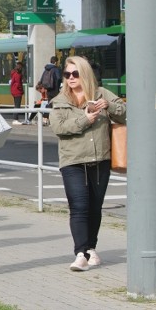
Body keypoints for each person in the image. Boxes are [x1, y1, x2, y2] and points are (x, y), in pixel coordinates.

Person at [50, 56, 126, 272]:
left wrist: (109, 106)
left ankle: (91, 248)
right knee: (79, 206)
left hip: (100, 159)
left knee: (95, 207)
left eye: (75, 74)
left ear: (85, 74)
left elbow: (125, 113)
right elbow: (59, 128)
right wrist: (86, 119)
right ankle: (80, 252)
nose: (71, 78)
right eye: (67, 74)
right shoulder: (60, 100)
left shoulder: (102, 94)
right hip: (73, 161)